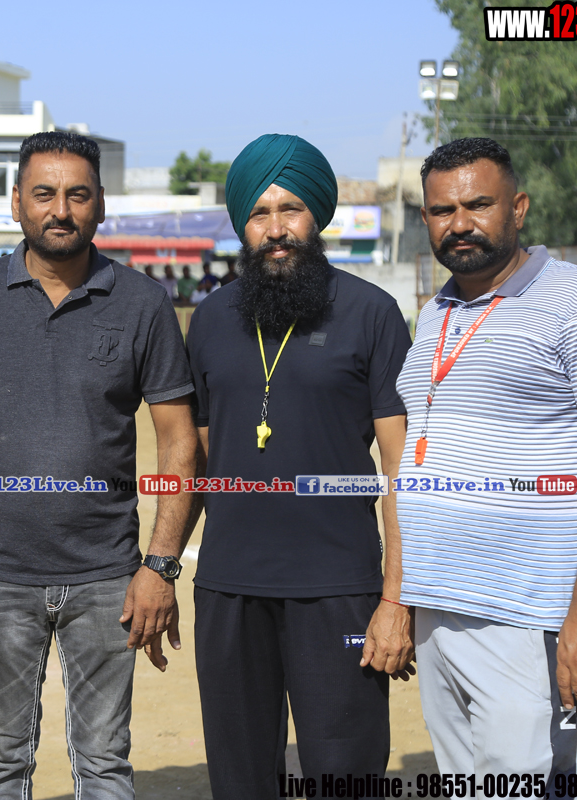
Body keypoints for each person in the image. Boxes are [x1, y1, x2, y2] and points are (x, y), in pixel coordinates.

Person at [0, 130, 199, 799]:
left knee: (105, 765)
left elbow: (178, 442)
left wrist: (160, 566)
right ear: (16, 202)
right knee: (0, 761)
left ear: (100, 203)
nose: (60, 210)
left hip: (109, 577)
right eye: (44, 193)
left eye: (77, 195)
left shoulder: (143, 302)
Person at [397, 137, 577, 777]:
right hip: (437, 609)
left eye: (479, 205)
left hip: (526, 615)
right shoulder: (435, 314)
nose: (460, 223)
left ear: (518, 208)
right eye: (442, 210)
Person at [186, 133, 412, 797]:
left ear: (318, 217)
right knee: (239, 781)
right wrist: (160, 565)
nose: (276, 229)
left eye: (291, 209)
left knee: (346, 776)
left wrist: (395, 601)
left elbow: (402, 474)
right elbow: (196, 457)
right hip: (229, 590)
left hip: (339, 589)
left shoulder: (372, 314)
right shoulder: (210, 319)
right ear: (241, 225)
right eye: (259, 213)